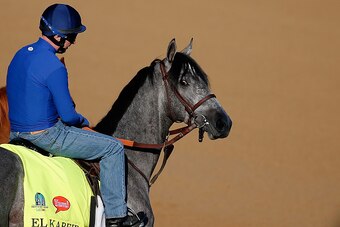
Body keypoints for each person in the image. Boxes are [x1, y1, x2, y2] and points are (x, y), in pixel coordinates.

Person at [6, 4, 140, 227]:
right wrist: (83, 122)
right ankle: (117, 218)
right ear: (58, 37)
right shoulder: (55, 66)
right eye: (72, 37)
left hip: (16, 134)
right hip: (47, 136)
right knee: (113, 148)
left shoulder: (20, 54)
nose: (73, 42)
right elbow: (68, 116)